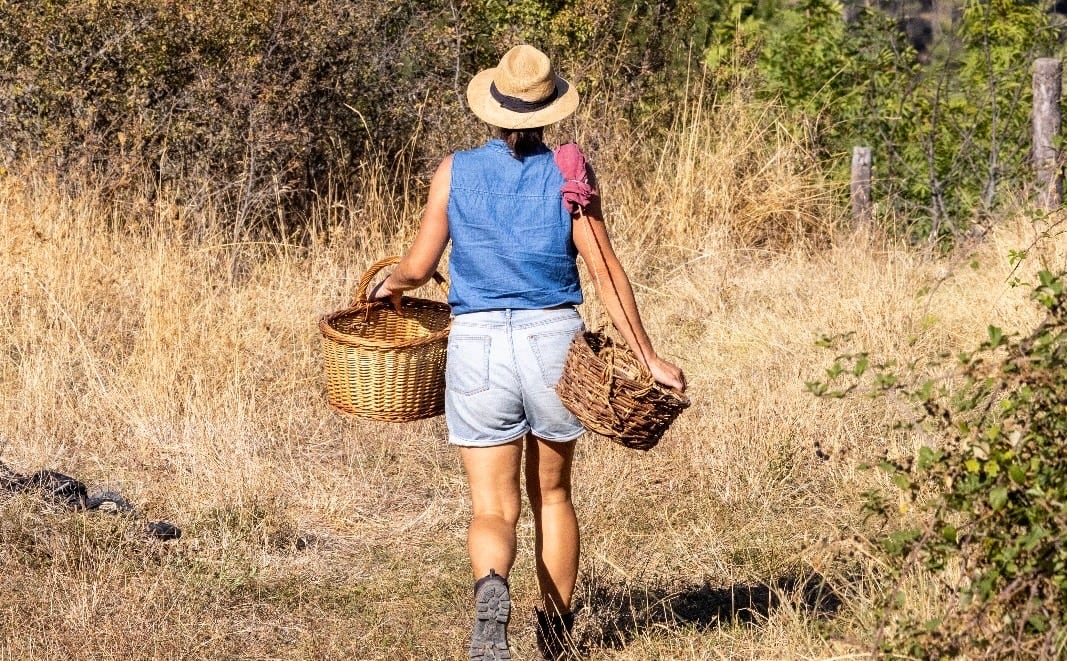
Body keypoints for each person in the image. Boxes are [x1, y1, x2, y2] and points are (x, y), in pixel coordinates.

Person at [369, 44, 686, 661]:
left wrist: (393, 285)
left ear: (492, 111)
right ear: (547, 113)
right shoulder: (568, 172)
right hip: (551, 343)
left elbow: (418, 264)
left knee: (492, 506)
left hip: (477, 344)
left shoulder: (454, 171)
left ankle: (492, 597)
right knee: (554, 497)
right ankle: (557, 641)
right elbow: (605, 271)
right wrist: (646, 356)